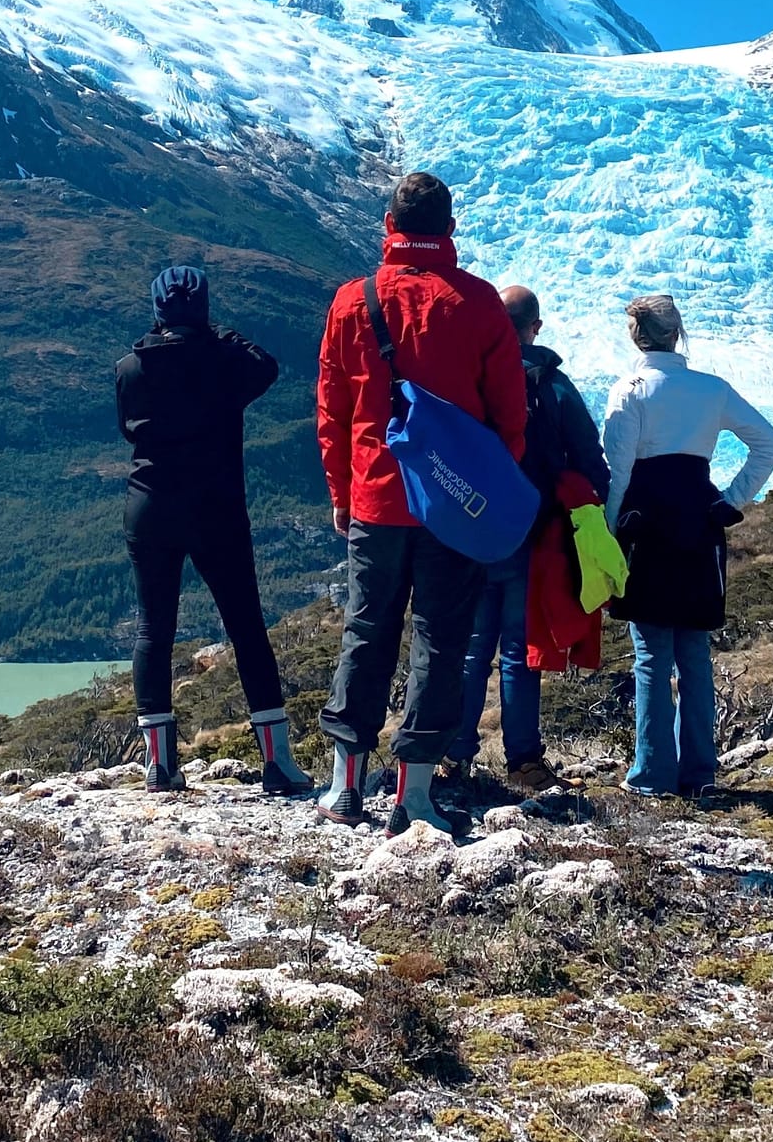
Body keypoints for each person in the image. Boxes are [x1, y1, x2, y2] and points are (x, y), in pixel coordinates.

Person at [315, 172, 528, 836]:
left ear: (389, 224)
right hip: (452, 507)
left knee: (366, 629)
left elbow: (333, 408)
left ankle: (346, 786)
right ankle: (414, 795)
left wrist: (340, 492)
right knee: (441, 639)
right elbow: (509, 416)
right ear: (452, 228)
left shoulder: (354, 300)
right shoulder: (480, 303)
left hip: (376, 496)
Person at [113, 264, 313, 797]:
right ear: (202, 309)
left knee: (153, 631)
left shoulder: (130, 367)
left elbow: (127, 426)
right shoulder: (224, 361)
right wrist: (219, 331)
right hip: (216, 507)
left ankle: (160, 767)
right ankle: (279, 765)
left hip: (149, 506)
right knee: (246, 628)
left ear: (156, 309)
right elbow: (265, 367)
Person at [601, 293, 773, 800]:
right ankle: (701, 772)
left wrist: (611, 533)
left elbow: (618, 472)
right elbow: (768, 443)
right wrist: (733, 499)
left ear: (635, 335)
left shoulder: (629, 389)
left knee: (652, 653)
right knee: (694, 649)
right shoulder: (712, 389)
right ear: (677, 333)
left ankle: (653, 774)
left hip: (647, 524)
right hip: (701, 522)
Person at [444, 284, 610, 795]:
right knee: (518, 651)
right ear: (535, 327)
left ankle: (453, 755)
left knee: (470, 650)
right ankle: (524, 762)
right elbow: (591, 460)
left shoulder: (468, 376)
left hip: (470, 531)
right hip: (531, 534)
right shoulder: (553, 385)